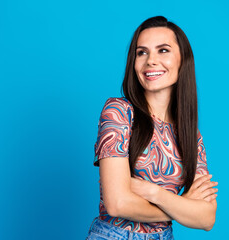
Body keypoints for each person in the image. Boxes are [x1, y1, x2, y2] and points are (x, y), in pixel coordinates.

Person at [86, 16, 218, 240]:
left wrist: (152, 192)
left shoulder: (190, 136)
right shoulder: (118, 113)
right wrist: (182, 206)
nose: (151, 61)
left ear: (182, 60)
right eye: (142, 52)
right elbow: (118, 204)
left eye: (163, 50)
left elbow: (206, 218)